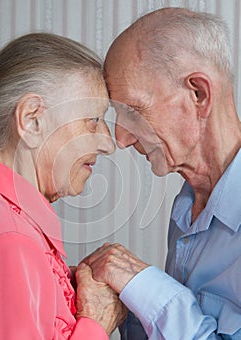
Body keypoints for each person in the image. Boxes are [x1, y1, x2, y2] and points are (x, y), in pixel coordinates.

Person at [0, 32, 127, 339]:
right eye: (93, 119)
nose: (108, 143)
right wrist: (96, 323)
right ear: (31, 121)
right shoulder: (8, 242)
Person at [79, 7, 241, 339]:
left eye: (133, 111)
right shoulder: (187, 205)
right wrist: (123, 302)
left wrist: (143, 284)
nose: (121, 139)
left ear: (199, 94)